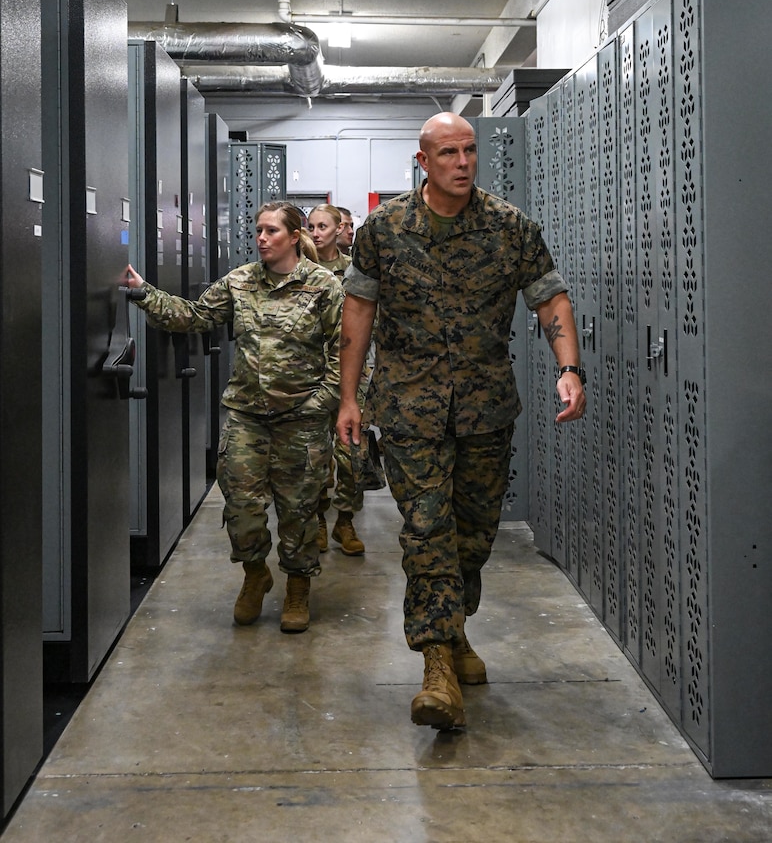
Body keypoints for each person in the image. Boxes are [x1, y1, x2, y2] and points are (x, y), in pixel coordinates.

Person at [336, 111, 586, 730]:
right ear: (424, 161)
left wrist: (569, 366)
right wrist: (349, 399)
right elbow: (358, 312)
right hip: (408, 409)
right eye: (448, 152)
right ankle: (437, 667)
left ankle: (455, 632)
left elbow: (550, 297)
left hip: (485, 408)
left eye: (470, 150)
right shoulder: (384, 230)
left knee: (473, 534)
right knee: (426, 530)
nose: (463, 162)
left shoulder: (509, 227)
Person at [125, 201, 343, 634]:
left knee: (298, 510)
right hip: (247, 416)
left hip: (301, 420)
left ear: (294, 236)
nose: (261, 238)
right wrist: (144, 292)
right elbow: (196, 316)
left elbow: (343, 350)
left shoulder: (323, 286)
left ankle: (298, 587)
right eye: (258, 231)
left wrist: (323, 403)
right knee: (241, 508)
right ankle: (255, 574)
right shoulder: (240, 282)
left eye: (270, 231)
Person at [307, 203, 368, 556]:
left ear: (338, 229)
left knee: (351, 452)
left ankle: (345, 520)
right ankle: (317, 518)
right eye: (312, 226)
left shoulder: (353, 272)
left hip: (347, 371)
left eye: (323, 226)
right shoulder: (299, 268)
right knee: (314, 453)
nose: (317, 233)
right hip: (310, 372)